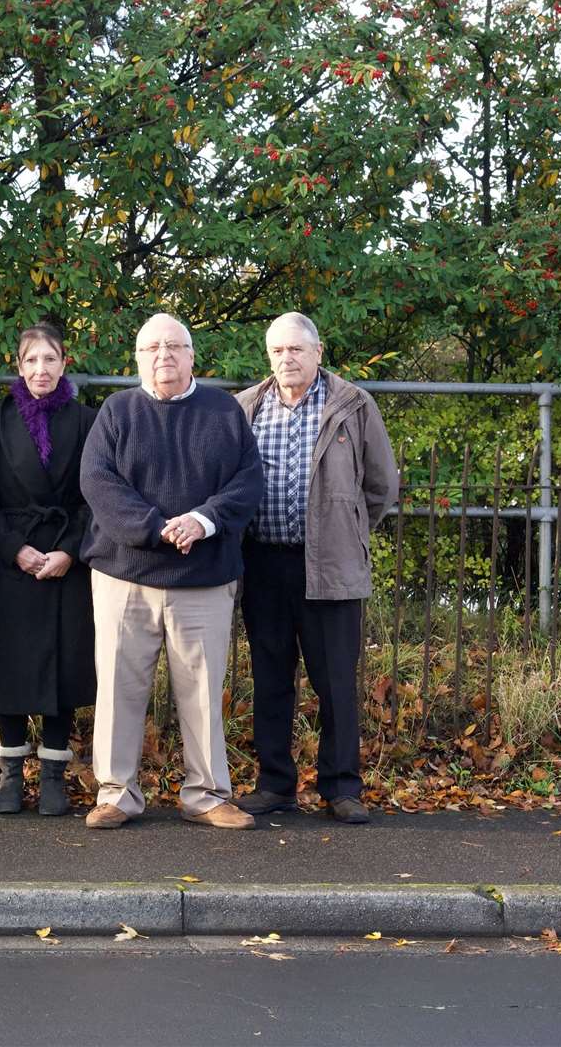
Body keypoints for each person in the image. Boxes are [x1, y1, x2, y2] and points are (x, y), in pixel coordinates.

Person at [78, 313, 264, 830]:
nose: (164, 356)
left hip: (203, 577)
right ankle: (116, 793)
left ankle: (206, 795)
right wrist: (156, 527)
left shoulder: (225, 411)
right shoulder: (117, 412)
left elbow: (248, 482)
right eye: (152, 348)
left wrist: (204, 521)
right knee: (117, 687)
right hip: (125, 575)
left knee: (203, 691)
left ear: (191, 355)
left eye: (174, 346)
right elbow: (97, 482)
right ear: (138, 358)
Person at [233, 312, 398, 824]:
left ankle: (341, 787)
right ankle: (275, 785)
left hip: (329, 564)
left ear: (318, 352)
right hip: (263, 563)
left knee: (335, 683)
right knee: (270, 679)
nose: (287, 358)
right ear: (269, 356)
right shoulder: (245, 407)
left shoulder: (351, 404)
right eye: (278, 350)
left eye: (297, 350)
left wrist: (344, 528)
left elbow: (382, 485)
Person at [0, 322, 97, 815]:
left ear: (65, 362)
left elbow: (95, 495)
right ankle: (9, 774)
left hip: (68, 559)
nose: (40, 369)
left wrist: (70, 550)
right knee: (12, 665)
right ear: (18, 366)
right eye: (31, 360)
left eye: (50, 359)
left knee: (62, 667)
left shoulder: (89, 421)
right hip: (15, 559)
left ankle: (52, 775)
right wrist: (13, 549)